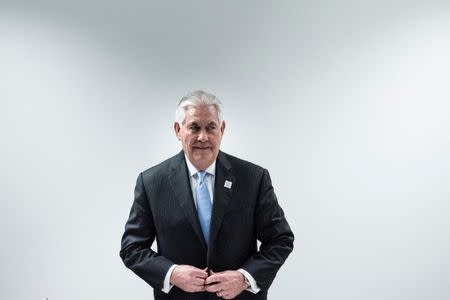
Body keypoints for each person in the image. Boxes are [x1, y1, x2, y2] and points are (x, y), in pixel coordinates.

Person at [120, 90, 294, 300]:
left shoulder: (253, 178)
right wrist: (172, 274)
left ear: (221, 129)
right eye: (194, 127)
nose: (203, 137)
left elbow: (280, 239)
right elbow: (132, 248)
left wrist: (244, 278)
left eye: (210, 127)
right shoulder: (151, 182)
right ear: (178, 130)